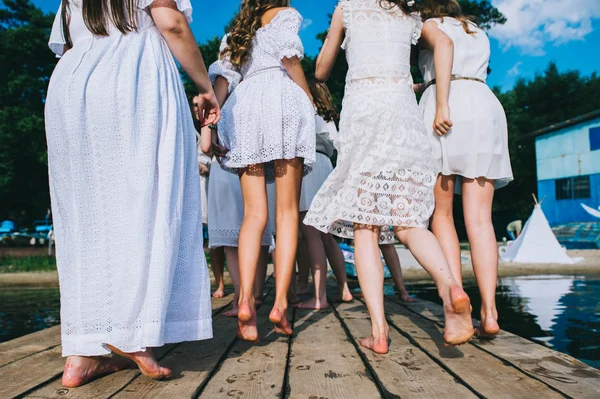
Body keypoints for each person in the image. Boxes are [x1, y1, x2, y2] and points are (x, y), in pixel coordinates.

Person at [46, 0, 219, 387]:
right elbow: (171, 23)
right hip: (129, 80)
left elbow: (72, 41)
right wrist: (205, 87)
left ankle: (82, 352)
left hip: (70, 90)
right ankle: (133, 333)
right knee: (145, 203)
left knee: (86, 219)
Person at [304, 0, 474, 354]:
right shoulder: (409, 13)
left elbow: (321, 70)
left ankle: (379, 332)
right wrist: (441, 104)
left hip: (363, 111)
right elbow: (445, 43)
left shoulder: (347, 8)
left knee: (365, 225)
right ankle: (450, 286)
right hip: (401, 112)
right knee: (409, 221)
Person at [206, 0, 315, 342]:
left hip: (245, 108)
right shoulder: (285, 15)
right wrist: (309, 98)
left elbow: (221, 84)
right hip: (281, 100)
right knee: (286, 214)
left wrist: (210, 126)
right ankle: (280, 304)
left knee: (253, 215)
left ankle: (245, 302)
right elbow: (290, 58)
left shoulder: (234, 35)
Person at [418, 0, 513, 337]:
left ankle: (455, 296)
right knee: (480, 219)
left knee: (442, 215)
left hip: (446, 105)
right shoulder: (478, 31)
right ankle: (490, 312)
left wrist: (439, 101)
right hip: (484, 105)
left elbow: (442, 61)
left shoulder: (426, 26)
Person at [294, 79, 353, 309]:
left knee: (311, 234)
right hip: (327, 166)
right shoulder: (328, 117)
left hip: (309, 165)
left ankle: (319, 296)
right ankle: (344, 288)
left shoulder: (305, 108)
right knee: (327, 235)